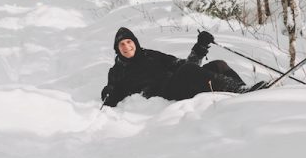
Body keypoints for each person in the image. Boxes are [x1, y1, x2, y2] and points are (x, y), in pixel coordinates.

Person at [101, 27, 266, 107]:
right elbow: (112, 95)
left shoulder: (150, 55)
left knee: (218, 65)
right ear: (117, 49)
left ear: (135, 43)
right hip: (163, 94)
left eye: (129, 42)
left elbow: (182, 65)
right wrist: (107, 93)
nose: (126, 46)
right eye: (121, 44)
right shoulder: (117, 70)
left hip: (176, 82)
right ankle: (239, 92)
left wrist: (200, 47)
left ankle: (244, 89)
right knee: (189, 71)